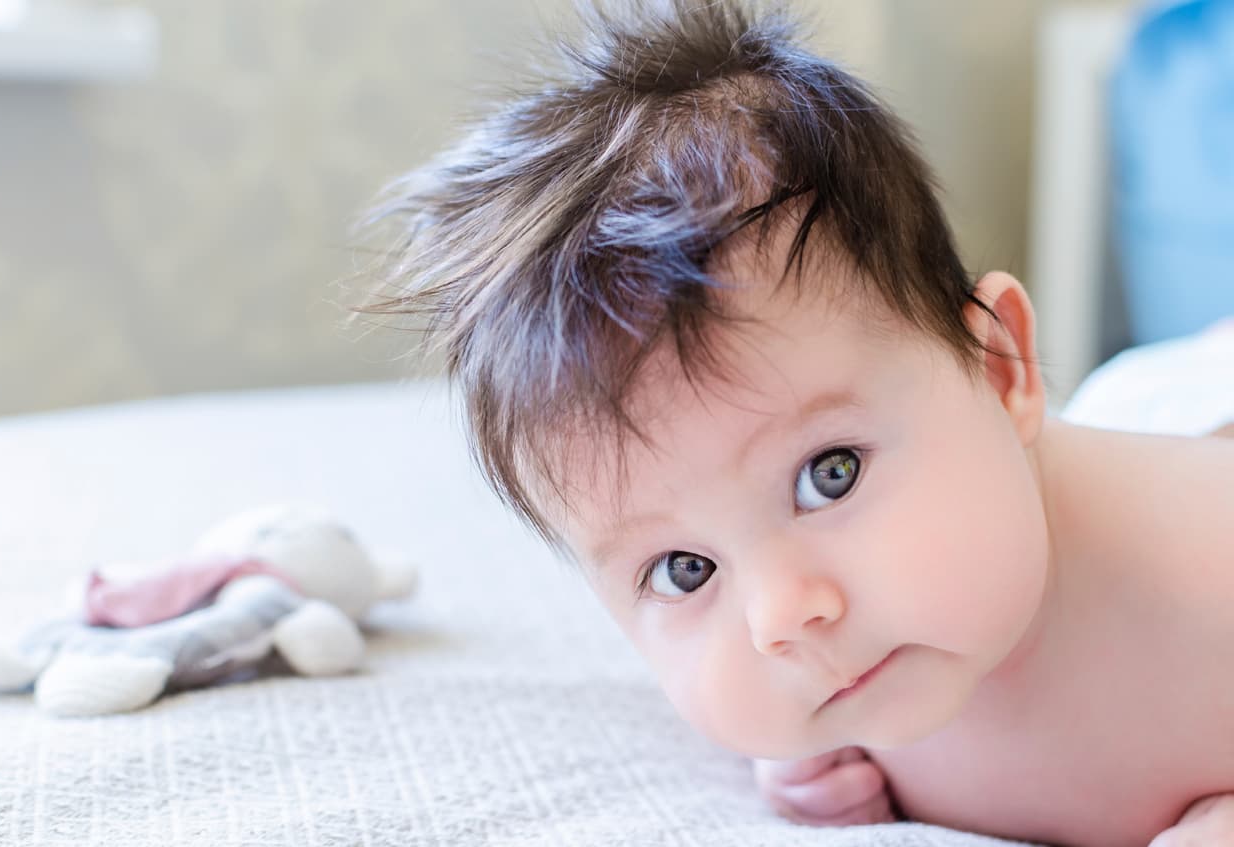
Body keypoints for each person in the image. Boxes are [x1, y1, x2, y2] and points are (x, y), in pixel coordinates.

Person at [353, 2, 1234, 844]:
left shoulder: (1205, 581)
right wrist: (799, 759)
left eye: (829, 474)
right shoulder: (863, 648)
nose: (783, 616)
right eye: (685, 569)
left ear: (1000, 369)